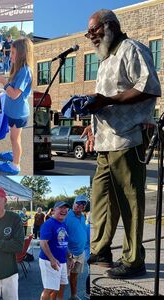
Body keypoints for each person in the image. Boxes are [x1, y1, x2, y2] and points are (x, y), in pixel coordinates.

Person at [81, 9, 161, 279]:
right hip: (105, 141)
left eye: (94, 31)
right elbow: (106, 97)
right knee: (101, 198)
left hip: (127, 138)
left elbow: (149, 87)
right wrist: (91, 125)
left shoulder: (131, 49)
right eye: (89, 33)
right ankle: (102, 250)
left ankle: (134, 259)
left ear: (110, 26)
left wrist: (107, 101)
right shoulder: (105, 58)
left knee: (130, 201)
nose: (91, 37)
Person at [0, 38, 33, 174]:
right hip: (14, 111)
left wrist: (3, 81)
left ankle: (15, 165)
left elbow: (15, 94)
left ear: (22, 53)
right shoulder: (18, 69)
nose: (10, 56)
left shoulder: (24, 71)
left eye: (13, 53)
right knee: (15, 137)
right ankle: (14, 153)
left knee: (15, 138)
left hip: (18, 113)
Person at [39, 201, 74, 300]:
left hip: (62, 261)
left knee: (59, 286)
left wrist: (69, 257)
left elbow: (63, 244)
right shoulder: (48, 224)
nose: (64, 211)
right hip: (49, 261)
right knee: (49, 289)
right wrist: (52, 259)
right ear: (54, 210)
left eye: (66, 209)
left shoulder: (63, 224)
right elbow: (43, 243)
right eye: (61, 208)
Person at [64, 195, 88, 300]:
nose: (80, 205)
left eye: (83, 204)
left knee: (74, 276)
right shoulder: (67, 216)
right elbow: (61, 236)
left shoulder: (83, 217)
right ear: (74, 204)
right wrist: (67, 254)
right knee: (63, 278)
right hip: (69, 253)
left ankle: (73, 296)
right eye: (78, 203)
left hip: (80, 252)